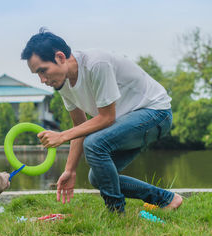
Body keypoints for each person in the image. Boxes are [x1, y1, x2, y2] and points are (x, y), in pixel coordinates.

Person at [21, 28, 182, 213]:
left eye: (43, 70)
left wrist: (62, 136)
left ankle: (115, 212)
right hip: (130, 122)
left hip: (156, 113)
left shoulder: (96, 64)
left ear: (60, 57)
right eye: (37, 74)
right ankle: (167, 199)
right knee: (98, 178)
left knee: (94, 143)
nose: (42, 80)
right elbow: (80, 127)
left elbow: (107, 118)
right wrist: (70, 170)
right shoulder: (63, 84)